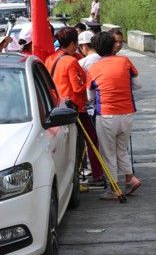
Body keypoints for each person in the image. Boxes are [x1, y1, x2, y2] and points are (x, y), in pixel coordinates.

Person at [45, 27, 104, 185]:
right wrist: (90, 81)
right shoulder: (71, 61)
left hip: (55, 107)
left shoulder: (50, 59)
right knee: (91, 139)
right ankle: (97, 174)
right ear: (72, 43)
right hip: (75, 108)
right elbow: (78, 88)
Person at [87, 32, 142, 199]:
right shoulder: (125, 61)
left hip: (106, 115)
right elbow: (137, 85)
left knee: (108, 153)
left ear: (96, 49)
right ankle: (130, 179)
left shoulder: (93, 68)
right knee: (121, 150)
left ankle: (114, 189)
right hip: (127, 113)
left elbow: (89, 97)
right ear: (113, 46)